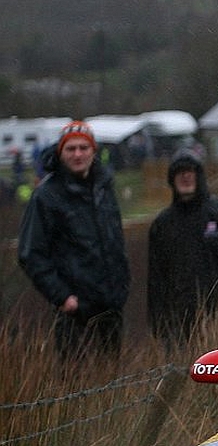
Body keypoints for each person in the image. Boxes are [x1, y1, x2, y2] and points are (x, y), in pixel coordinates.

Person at [17, 120, 131, 356]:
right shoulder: (47, 196)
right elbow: (30, 254)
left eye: (83, 148)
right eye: (71, 149)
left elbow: (115, 240)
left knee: (112, 382)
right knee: (79, 385)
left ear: (93, 151)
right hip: (75, 313)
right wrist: (63, 297)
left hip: (111, 306)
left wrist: (122, 285)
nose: (77, 154)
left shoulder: (104, 188)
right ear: (61, 152)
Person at [146, 149, 218, 344]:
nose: (185, 176)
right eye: (180, 171)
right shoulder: (163, 225)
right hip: (180, 328)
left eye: (190, 170)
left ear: (199, 175)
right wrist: (159, 328)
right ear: (172, 179)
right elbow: (156, 283)